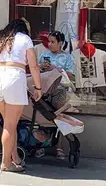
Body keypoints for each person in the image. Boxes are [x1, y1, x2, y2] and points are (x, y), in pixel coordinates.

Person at [0, 19, 43, 172]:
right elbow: (34, 66)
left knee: (8, 123)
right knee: (10, 126)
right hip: (13, 79)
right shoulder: (25, 39)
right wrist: (38, 87)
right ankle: (6, 163)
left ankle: (15, 158)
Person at [37, 31, 75, 160]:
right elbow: (36, 71)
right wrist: (41, 66)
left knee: (58, 117)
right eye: (49, 42)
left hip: (60, 91)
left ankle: (58, 146)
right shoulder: (44, 55)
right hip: (45, 91)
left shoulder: (67, 57)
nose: (50, 44)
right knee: (43, 117)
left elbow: (71, 74)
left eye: (53, 42)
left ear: (61, 43)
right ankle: (42, 145)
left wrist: (56, 69)